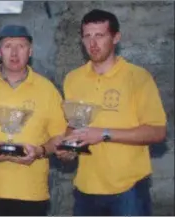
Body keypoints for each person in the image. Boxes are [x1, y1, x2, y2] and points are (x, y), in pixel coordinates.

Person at [56, 9, 166, 216]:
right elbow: (75, 125)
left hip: (128, 189)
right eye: (87, 36)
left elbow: (158, 131)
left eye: (100, 35)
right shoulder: (73, 79)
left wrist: (104, 134)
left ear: (116, 37)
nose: (93, 43)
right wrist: (67, 149)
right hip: (85, 188)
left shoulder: (138, 78)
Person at [0, 25, 67, 216]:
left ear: (31, 51)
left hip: (32, 193)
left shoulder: (47, 89)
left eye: (22, 46)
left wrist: (39, 151)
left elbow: (59, 138)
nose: (15, 52)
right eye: (8, 46)